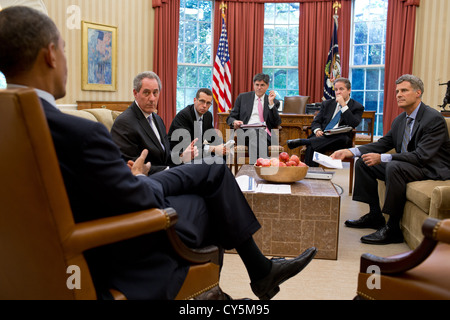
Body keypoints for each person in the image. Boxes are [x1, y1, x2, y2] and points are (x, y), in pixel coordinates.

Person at [0, 6, 317, 300]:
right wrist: (136, 176)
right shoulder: (78, 133)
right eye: (65, 50)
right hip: (113, 247)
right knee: (211, 192)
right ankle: (220, 289)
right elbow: (137, 199)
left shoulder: (12, 126)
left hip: (38, 254)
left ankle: (252, 274)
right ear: (51, 55)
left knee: (210, 172)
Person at [332, 74, 450, 245]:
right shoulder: (400, 120)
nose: (398, 95)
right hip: (410, 165)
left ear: (418, 92)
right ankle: (375, 215)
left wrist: (383, 158)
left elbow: (422, 156)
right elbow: (382, 144)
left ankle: (393, 228)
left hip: (430, 168)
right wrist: (350, 152)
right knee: (364, 162)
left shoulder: (433, 119)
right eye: (397, 91)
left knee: (393, 167)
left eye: (404, 90)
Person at [110, 71, 198, 175]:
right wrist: (169, 171)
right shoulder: (124, 122)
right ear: (135, 93)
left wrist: (182, 157)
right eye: (146, 92)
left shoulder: (157, 119)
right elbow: (131, 165)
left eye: (155, 93)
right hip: (146, 182)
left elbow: (164, 156)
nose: (152, 98)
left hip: (165, 176)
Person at [287, 78, 364, 167]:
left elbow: (353, 123)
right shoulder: (327, 104)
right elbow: (316, 122)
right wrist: (317, 130)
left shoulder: (357, 107)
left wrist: (343, 105)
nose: (338, 92)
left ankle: (304, 141)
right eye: (336, 89)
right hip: (322, 136)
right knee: (313, 145)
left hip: (339, 139)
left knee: (340, 138)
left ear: (349, 90)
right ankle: (310, 173)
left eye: (341, 89)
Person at [226, 73, 282, 163]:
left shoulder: (273, 101)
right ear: (253, 85)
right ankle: (263, 165)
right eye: (257, 85)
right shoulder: (243, 98)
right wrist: (234, 122)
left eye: (262, 85)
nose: (259, 88)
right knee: (253, 132)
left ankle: (254, 166)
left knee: (259, 132)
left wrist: (271, 104)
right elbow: (230, 117)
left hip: (264, 134)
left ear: (267, 86)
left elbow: (276, 122)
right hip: (245, 133)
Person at [168, 88, 228, 160]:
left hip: (198, 149)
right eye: (202, 101)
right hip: (182, 152)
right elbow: (188, 145)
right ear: (195, 100)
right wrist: (213, 148)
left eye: (208, 103)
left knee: (222, 154)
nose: (205, 106)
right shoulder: (184, 116)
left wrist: (224, 145)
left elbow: (213, 136)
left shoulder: (207, 115)